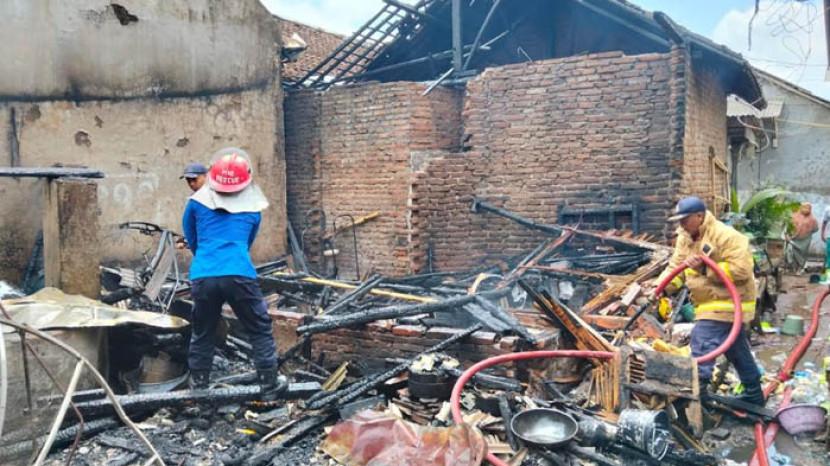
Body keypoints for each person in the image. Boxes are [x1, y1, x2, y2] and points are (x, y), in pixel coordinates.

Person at [182, 147, 286, 392]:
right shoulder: (253, 209)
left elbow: (191, 238)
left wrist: (208, 259)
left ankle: (199, 388)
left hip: (204, 274)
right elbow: (247, 242)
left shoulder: (195, 204)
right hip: (239, 273)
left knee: (203, 331)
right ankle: (269, 384)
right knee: (258, 328)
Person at [656, 196, 763, 405]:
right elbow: (677, 267)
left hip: (729, 302)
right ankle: (754, 394)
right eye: (679, 220)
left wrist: (705, 268)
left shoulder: (726, 236)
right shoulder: (685, 237)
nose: (681, 225)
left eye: (685, 219)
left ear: (699, 216)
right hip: (708, 303)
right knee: (736, 349)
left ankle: (697, 397)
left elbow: (742, 270)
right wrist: (660, 287)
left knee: (702, 342)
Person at [787, 202, 818, 274]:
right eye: (805, 207)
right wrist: (789, 234)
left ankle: (800, 268)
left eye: (808, 208)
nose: (806, 209)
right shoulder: (794, 216)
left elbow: (815, 229)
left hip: (805, 240)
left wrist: (806, 232)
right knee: (791, 251)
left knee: (802, 254)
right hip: (794, 238)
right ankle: (793, 268)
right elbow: (789, 226)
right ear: (801, 208)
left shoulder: (812, 219)